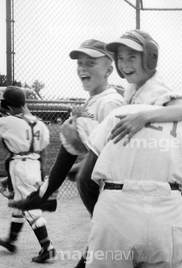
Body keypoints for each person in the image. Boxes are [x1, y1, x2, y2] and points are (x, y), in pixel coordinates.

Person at [10, 30, 182, 212]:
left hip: (170, 175)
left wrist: (143, 116)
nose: (124, 64)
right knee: (84, 167)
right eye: (120, 58)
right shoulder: (133, 87)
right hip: (150, 162)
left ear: (149, 59)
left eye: (131, 57)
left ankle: (49, 194)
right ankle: (51, 195)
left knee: (84, 170)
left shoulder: (155, 86)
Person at [74, 95, 182, 268]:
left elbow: (84, 180)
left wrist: (102, 217)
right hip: (166, 215)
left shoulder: (121, 113)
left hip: (115, 209)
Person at [8, 39, 125, 212]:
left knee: (107, 231)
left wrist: (83, 159)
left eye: (91, 63)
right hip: (101, 187)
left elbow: (118, 153)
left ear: (108, 70)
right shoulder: (94, 100)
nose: (83, 68)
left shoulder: (110, 103)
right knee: (75, 127)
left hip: (113, 191)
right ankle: (45, 194)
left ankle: (45, 194)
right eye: (80, 63)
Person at [0, 86, 56, 263]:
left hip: (20, 166)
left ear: (10, 108)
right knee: (20, 204)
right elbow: (43, 152)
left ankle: (47, 247)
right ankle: (11, 241)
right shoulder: (40, 123)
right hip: (33, 165)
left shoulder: (10, 121)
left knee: (30, 208)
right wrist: (41, 174)